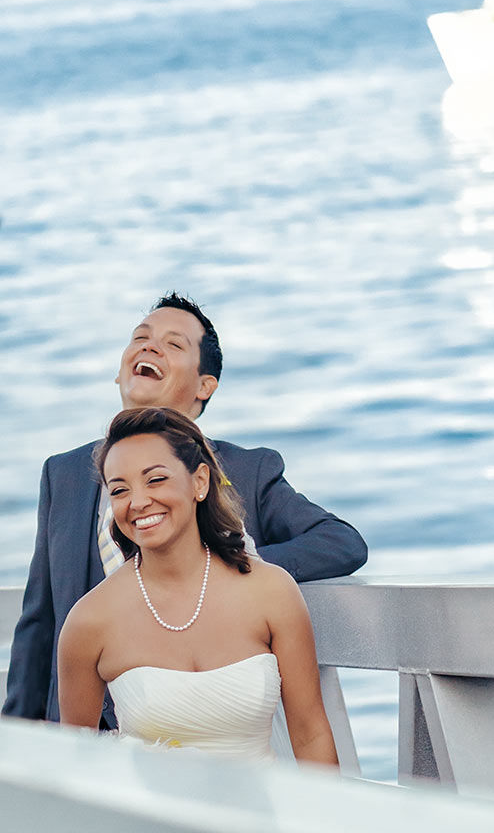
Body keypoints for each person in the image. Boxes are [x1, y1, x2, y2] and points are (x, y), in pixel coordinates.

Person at [3, 292, 367, 726]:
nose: (149, 346)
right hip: (79, 741)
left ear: (205, 385)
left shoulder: (247, 470)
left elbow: (342, 542)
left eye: (173, 344)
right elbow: (38, 623)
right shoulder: (61, 474)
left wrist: (228, 564)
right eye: (140, 337)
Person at [58, 406, 338, 766]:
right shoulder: (89, 620)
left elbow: (311, 734)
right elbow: (78, 764)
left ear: (200, 482)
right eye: (120, 490)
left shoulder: (271, 591)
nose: (138, 502)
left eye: (155, 479)